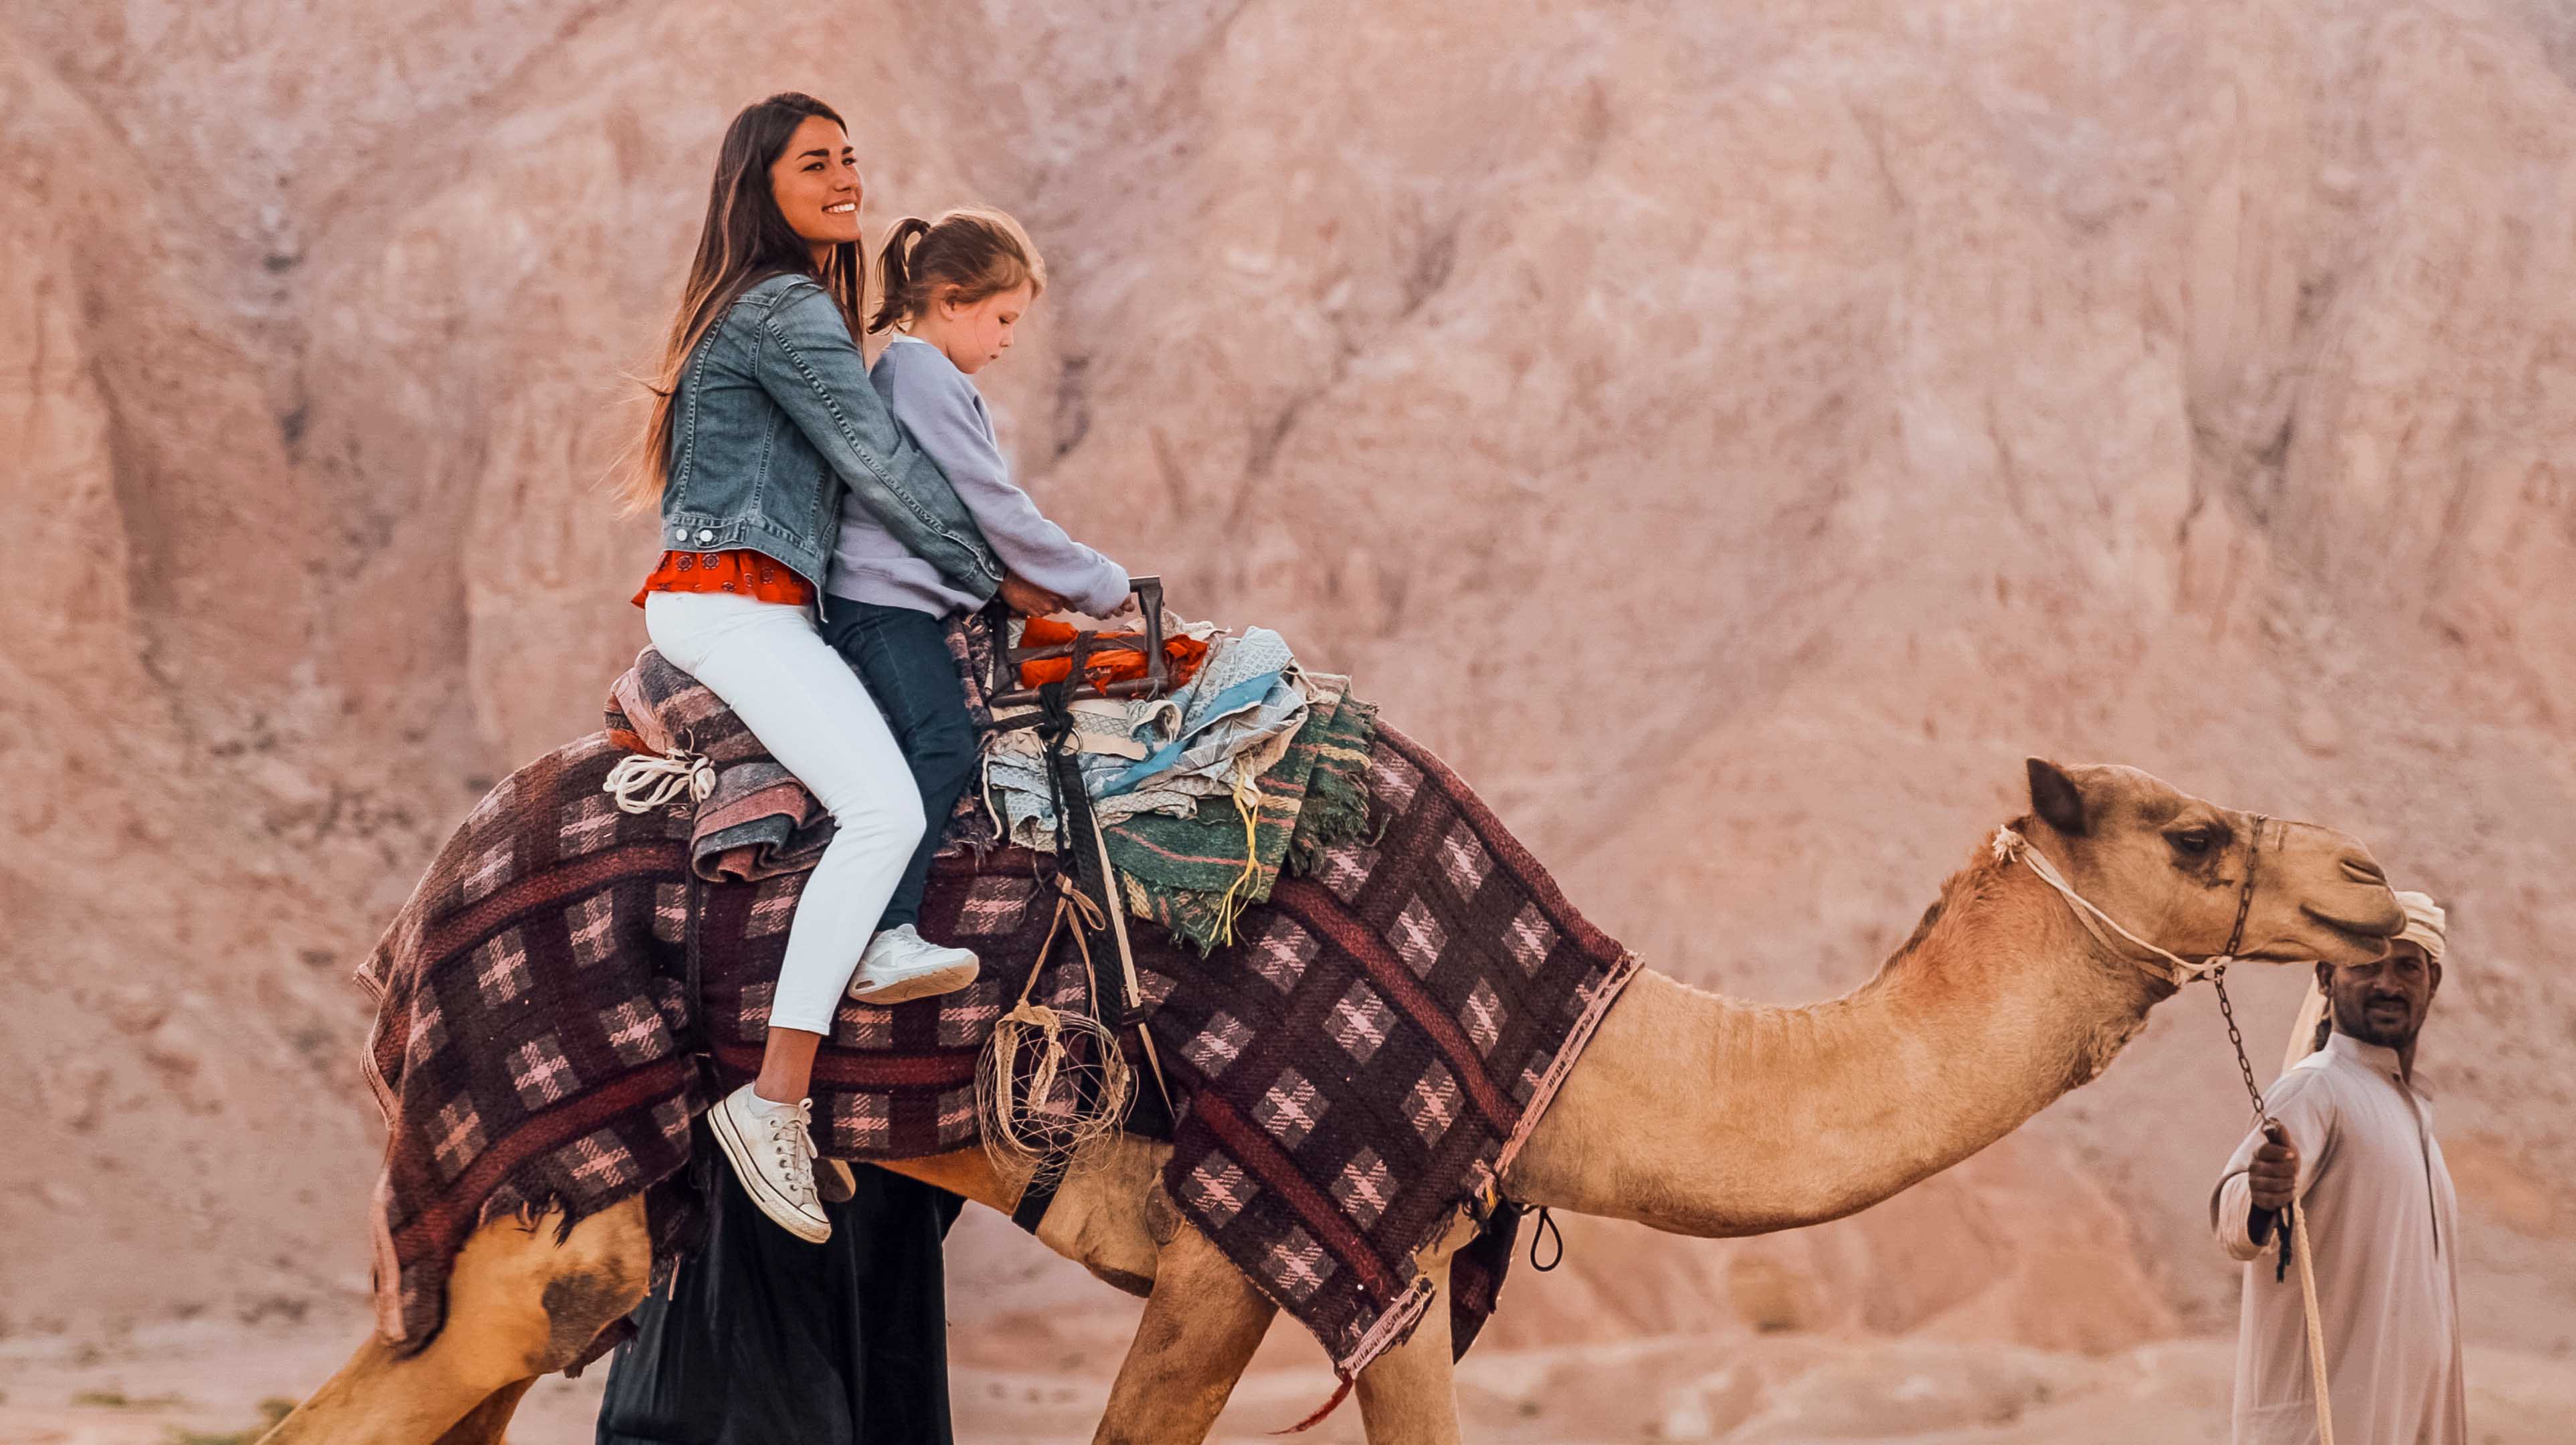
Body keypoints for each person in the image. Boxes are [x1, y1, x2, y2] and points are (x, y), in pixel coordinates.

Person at [624, 92, 1024, 1243]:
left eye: (851, 158)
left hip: (762, 609)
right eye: (815, 163)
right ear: (764, 186)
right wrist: (1001, 578)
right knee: (886, 805)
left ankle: (880, 953)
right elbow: (882, 465)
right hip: (732, 611)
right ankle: (775, 1099)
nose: (845, 177)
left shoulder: (769, 308)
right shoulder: (787, 310)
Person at [818, 205, 1136, 945]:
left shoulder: (917, 372)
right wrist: (1101, 583)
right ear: (952, 300)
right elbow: (991, 502)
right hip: (880, 605)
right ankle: (884, 927)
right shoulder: (921, 375)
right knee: (945, 742)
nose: (1008, 341)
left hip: (908, 600)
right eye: (1000, 319)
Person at [2209, 891, 2466, 1444]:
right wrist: (2262, 1193)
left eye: (2407, 966)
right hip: (2322, 1429)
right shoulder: (2316, 1085)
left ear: (2433, 981)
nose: (2388, 984)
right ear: (2326, 976)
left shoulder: (2412, 1112)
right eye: (2367, 963)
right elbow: (2236, 1216)